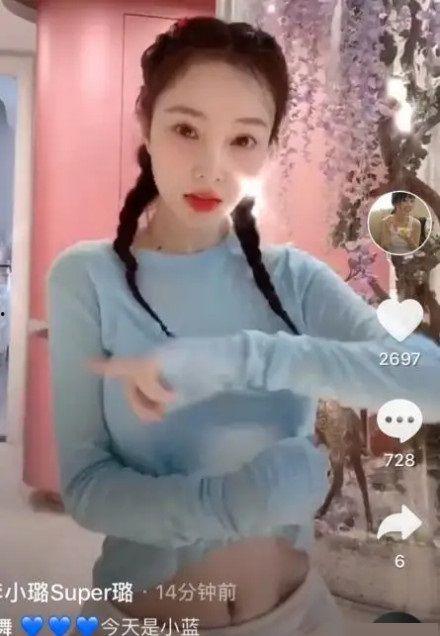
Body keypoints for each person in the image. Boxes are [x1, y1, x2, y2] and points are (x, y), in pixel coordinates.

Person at [46, 17, 440, 636]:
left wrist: (250, 359)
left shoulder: (293, 279)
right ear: (145, 124)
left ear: (270, 149)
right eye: (186, 129)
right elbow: (88, 487)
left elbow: (428, 383)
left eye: (243, 140)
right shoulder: (87, 279)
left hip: (302, 614)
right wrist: (232, 504)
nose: (212, 168)